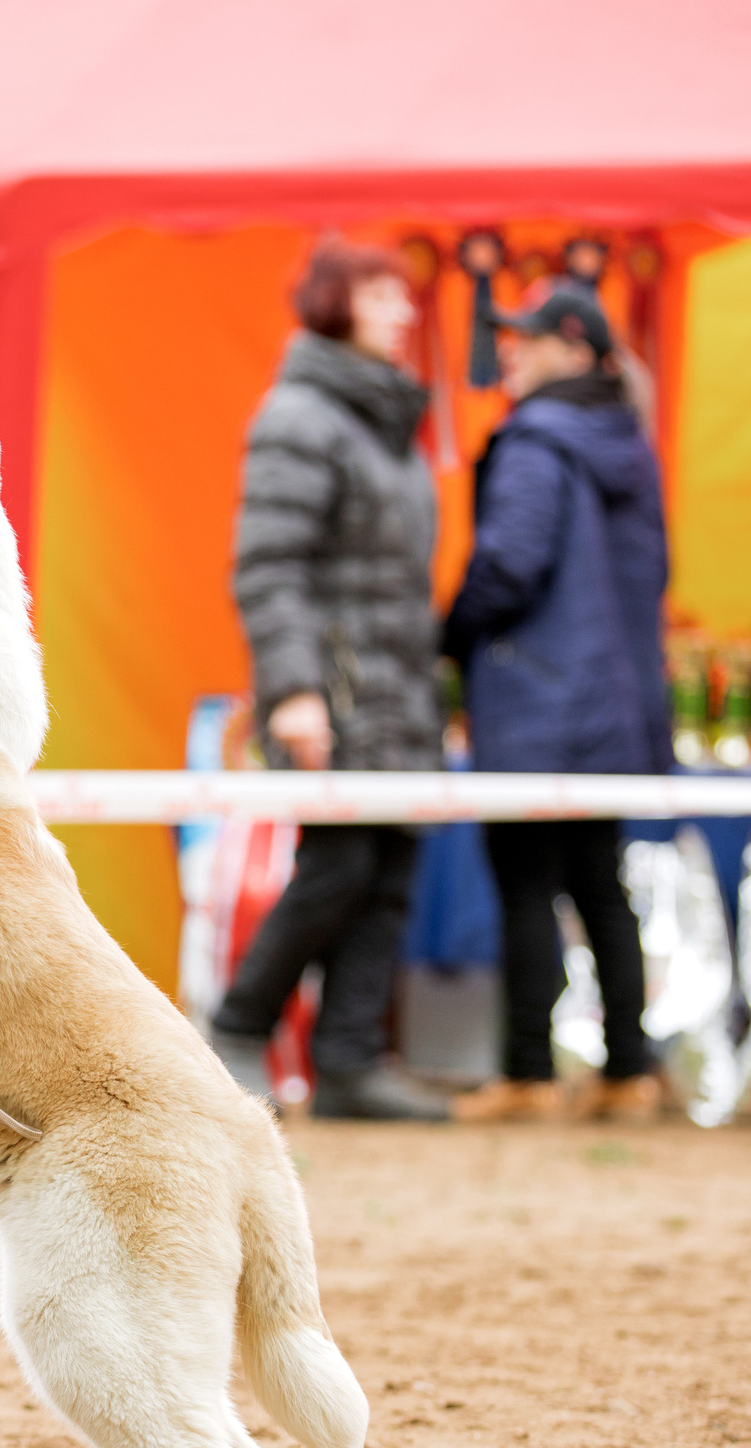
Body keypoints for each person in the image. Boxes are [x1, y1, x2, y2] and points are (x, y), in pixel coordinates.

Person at [205, 239, 450, 1122]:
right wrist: (296, 691)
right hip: (337, 695)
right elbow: (269, 569)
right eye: (383, 295)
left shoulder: (386, 423)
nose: (404, 312)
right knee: (336, 870)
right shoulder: (299, 416)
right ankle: (236, 1029)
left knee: (388, 874)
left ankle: (349, 1062)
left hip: (400, 694)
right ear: (335, 304)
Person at [441, 280, 669, 1123]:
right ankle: (628, 1072)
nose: (510, 350)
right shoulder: (627, 442)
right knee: (601, 886)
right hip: (610, 705)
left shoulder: (537, 439)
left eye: (527, 338)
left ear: (574, 350)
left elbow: (508, 563)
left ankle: (528, 1075)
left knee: (526, 885)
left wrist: (451, 634)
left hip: (536, 703)